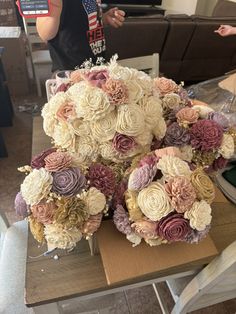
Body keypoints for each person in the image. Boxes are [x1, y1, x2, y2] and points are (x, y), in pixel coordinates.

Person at [36, 0, 125, 72]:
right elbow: (44, 34)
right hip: (70, 72)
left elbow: (84, 18)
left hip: (97, 65)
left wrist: (103, 18)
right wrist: (53, 10)